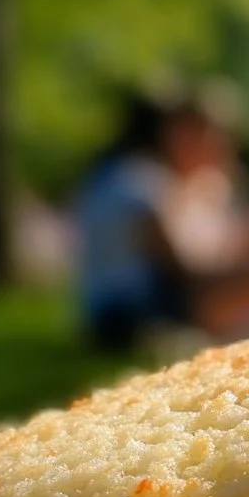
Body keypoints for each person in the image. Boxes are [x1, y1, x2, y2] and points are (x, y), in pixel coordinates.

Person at [75, 93, 188, 350]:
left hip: (96, 308)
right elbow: (171, 260)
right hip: (132, 309)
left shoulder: (102, 174)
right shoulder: (143, 179)